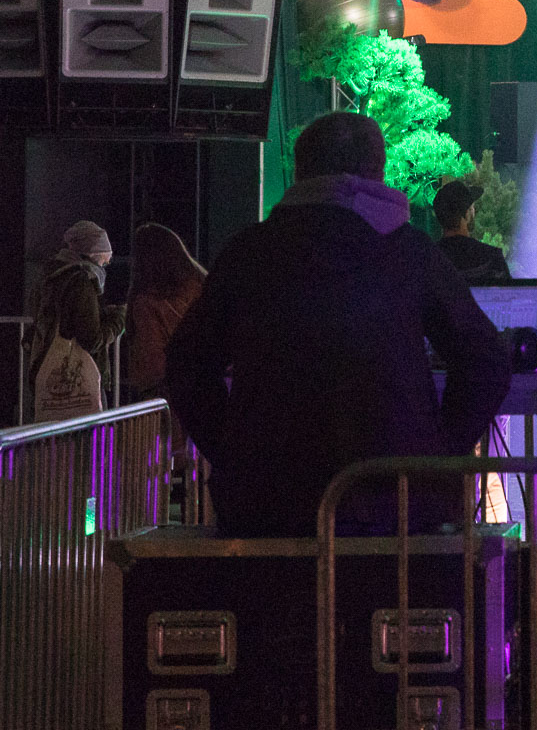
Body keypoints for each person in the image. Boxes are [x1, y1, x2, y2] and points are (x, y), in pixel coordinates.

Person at [165, 112, 510, 537]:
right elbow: (486, 360)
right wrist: (434, 457)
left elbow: (187, 365)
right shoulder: (409, 254)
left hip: (265, 508)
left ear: (300, 170)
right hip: (395, 506)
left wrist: (236, 452)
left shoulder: (248, 253)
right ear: (378, 172)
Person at [28, 220, 127, 420]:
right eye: (104, 262)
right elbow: (93, 338)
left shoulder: (49, 275)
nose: (104, 267)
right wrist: (119, 318)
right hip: (81, 380)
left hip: (44, 365)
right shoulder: (81, 280)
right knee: (92, 435)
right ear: (93, 255)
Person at [125, 223, 207, 401]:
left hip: (168, 396)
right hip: (208, 387)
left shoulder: (147, 302)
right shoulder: (202, 286)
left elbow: (153, 363)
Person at [433, 179, 511, 283]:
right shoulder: (491, 258)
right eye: (472, 208)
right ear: (466, 214)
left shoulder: (428, 260)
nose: (474, 211)